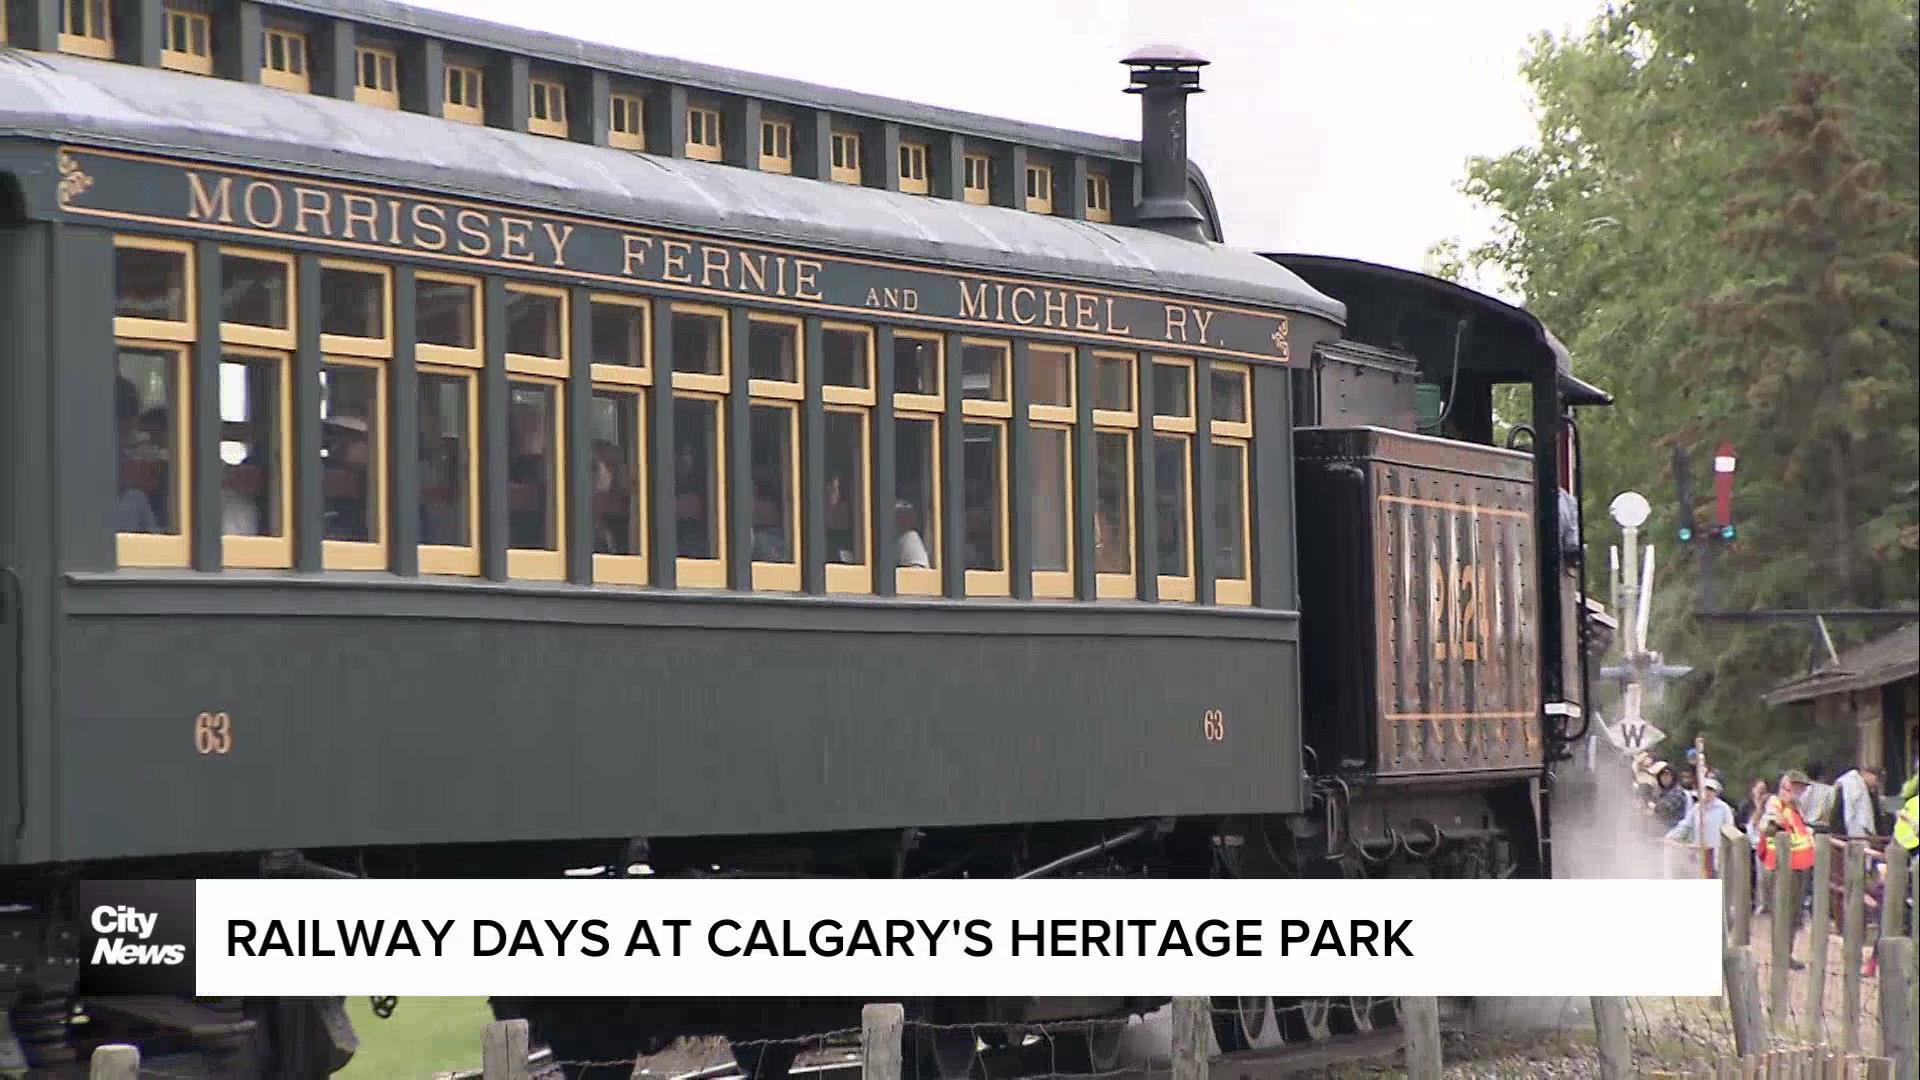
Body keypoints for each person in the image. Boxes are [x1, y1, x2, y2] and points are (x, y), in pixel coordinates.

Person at [1759, 769, 1819, 962]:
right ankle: (1781, 955)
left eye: (1802, 788)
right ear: (1787, 786)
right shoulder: (1776, 804)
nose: (1800, 792)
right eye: (1797, 787)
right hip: (1780, 868)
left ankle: (1787, 953)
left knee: (1793, 914)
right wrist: (1774, 823)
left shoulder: (1795, 809)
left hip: (1798, 866)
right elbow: (1766, 825)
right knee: (1782, 912)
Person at [1665, 776, 1734, 857]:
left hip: (1717, 854)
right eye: (1706, 789)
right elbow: (1685, 825)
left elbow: (1730, 829)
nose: (1708, 792)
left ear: (1716, 793)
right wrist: (1670, 836)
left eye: (1711, 790)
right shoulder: (1696, 808)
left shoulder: (1723, 808)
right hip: (1698, 852)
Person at [1831, 765, 1882, 839]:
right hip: (1846, 827)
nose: (1876, 784)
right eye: (1876, 780)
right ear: (1867, 773)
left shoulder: (1865, 788)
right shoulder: (1853, 783)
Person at [1649, 762, 1692, 828]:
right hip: (1659, 828)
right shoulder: (1661, 791)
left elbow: (1666, 809)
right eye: (1662, 776)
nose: (1665, 778)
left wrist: (1654, 808)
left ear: (1673, 776)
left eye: (1667, 775)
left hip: (1675, 829)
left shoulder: (1678, 791)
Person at [1799, 762, 1838, 833]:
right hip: (1822, 828)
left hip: (1804, 826)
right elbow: (1831, 808)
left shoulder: (1802, 789)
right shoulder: (1829, 790)